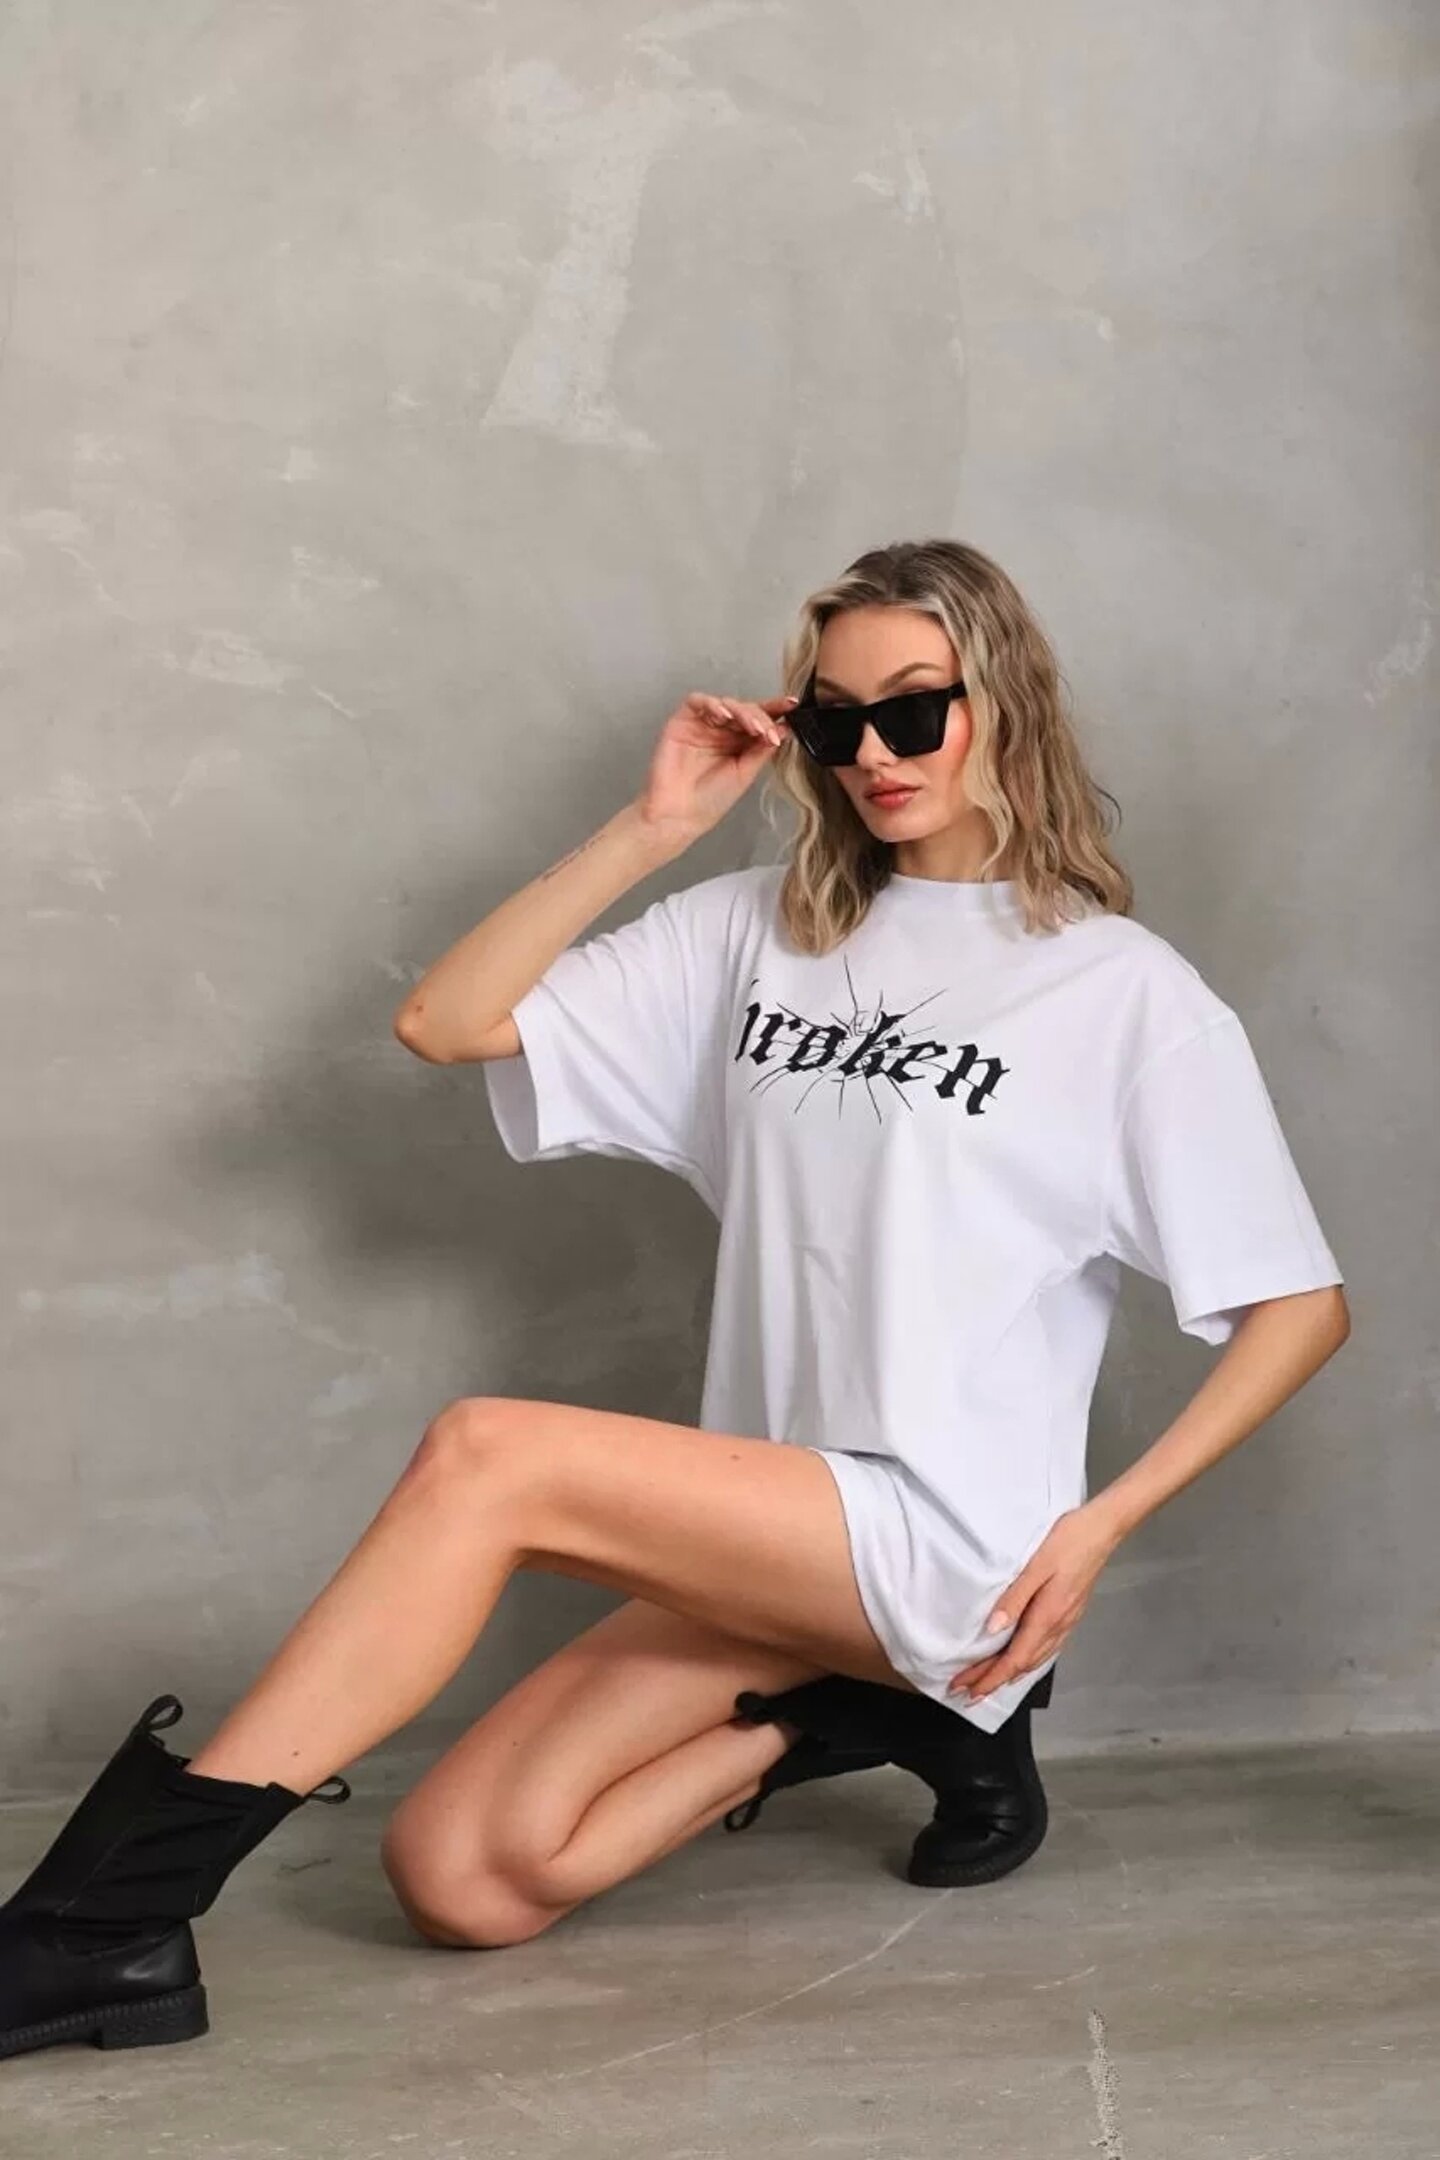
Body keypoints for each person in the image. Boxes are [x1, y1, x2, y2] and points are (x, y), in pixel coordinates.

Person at [0, 537, 1350, 2064]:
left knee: (488, 1454)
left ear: (1005, 703)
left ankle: (105, 1925)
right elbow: (446, 1021)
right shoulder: (755, 931)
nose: (875, 755)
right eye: (836, 721)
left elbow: (1300, 1306)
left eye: (915, 710)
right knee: (459, 1877)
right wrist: (654, 828)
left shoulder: (1120, 992)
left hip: (952, 1539)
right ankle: (846, 1717)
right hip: (770, 1529)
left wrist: (1100, 1525)